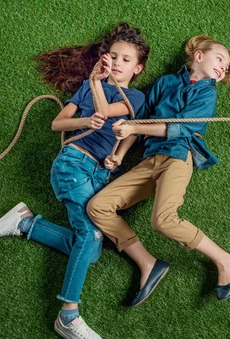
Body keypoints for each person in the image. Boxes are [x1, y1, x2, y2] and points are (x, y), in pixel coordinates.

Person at [0, 23, 149, 339]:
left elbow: (111, 113)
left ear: (138, 68)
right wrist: (87, 115)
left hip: (99, 174)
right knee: (90, 236)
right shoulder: (86, 87)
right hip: (73, 164)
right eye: (113, 55)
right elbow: (58, 123)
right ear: (104, 59)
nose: (117, 62)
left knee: (92, 248)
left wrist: (117, 156)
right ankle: (68, 315)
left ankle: (26, 224)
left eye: (126, 59)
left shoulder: (135, 96)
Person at [87, 35, 230, 307]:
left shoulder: (207, 92)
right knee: (98, 206)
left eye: (226, 66)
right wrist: (119, 154)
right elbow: (139, 121)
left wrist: (134, 128)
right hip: (150, 160)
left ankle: (224, 259)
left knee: (164, 220)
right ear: (199, 56)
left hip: (178, 157)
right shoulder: (166, 83)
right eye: (220, 59)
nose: (223, 68)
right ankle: (148, 263)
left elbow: (178, 128)